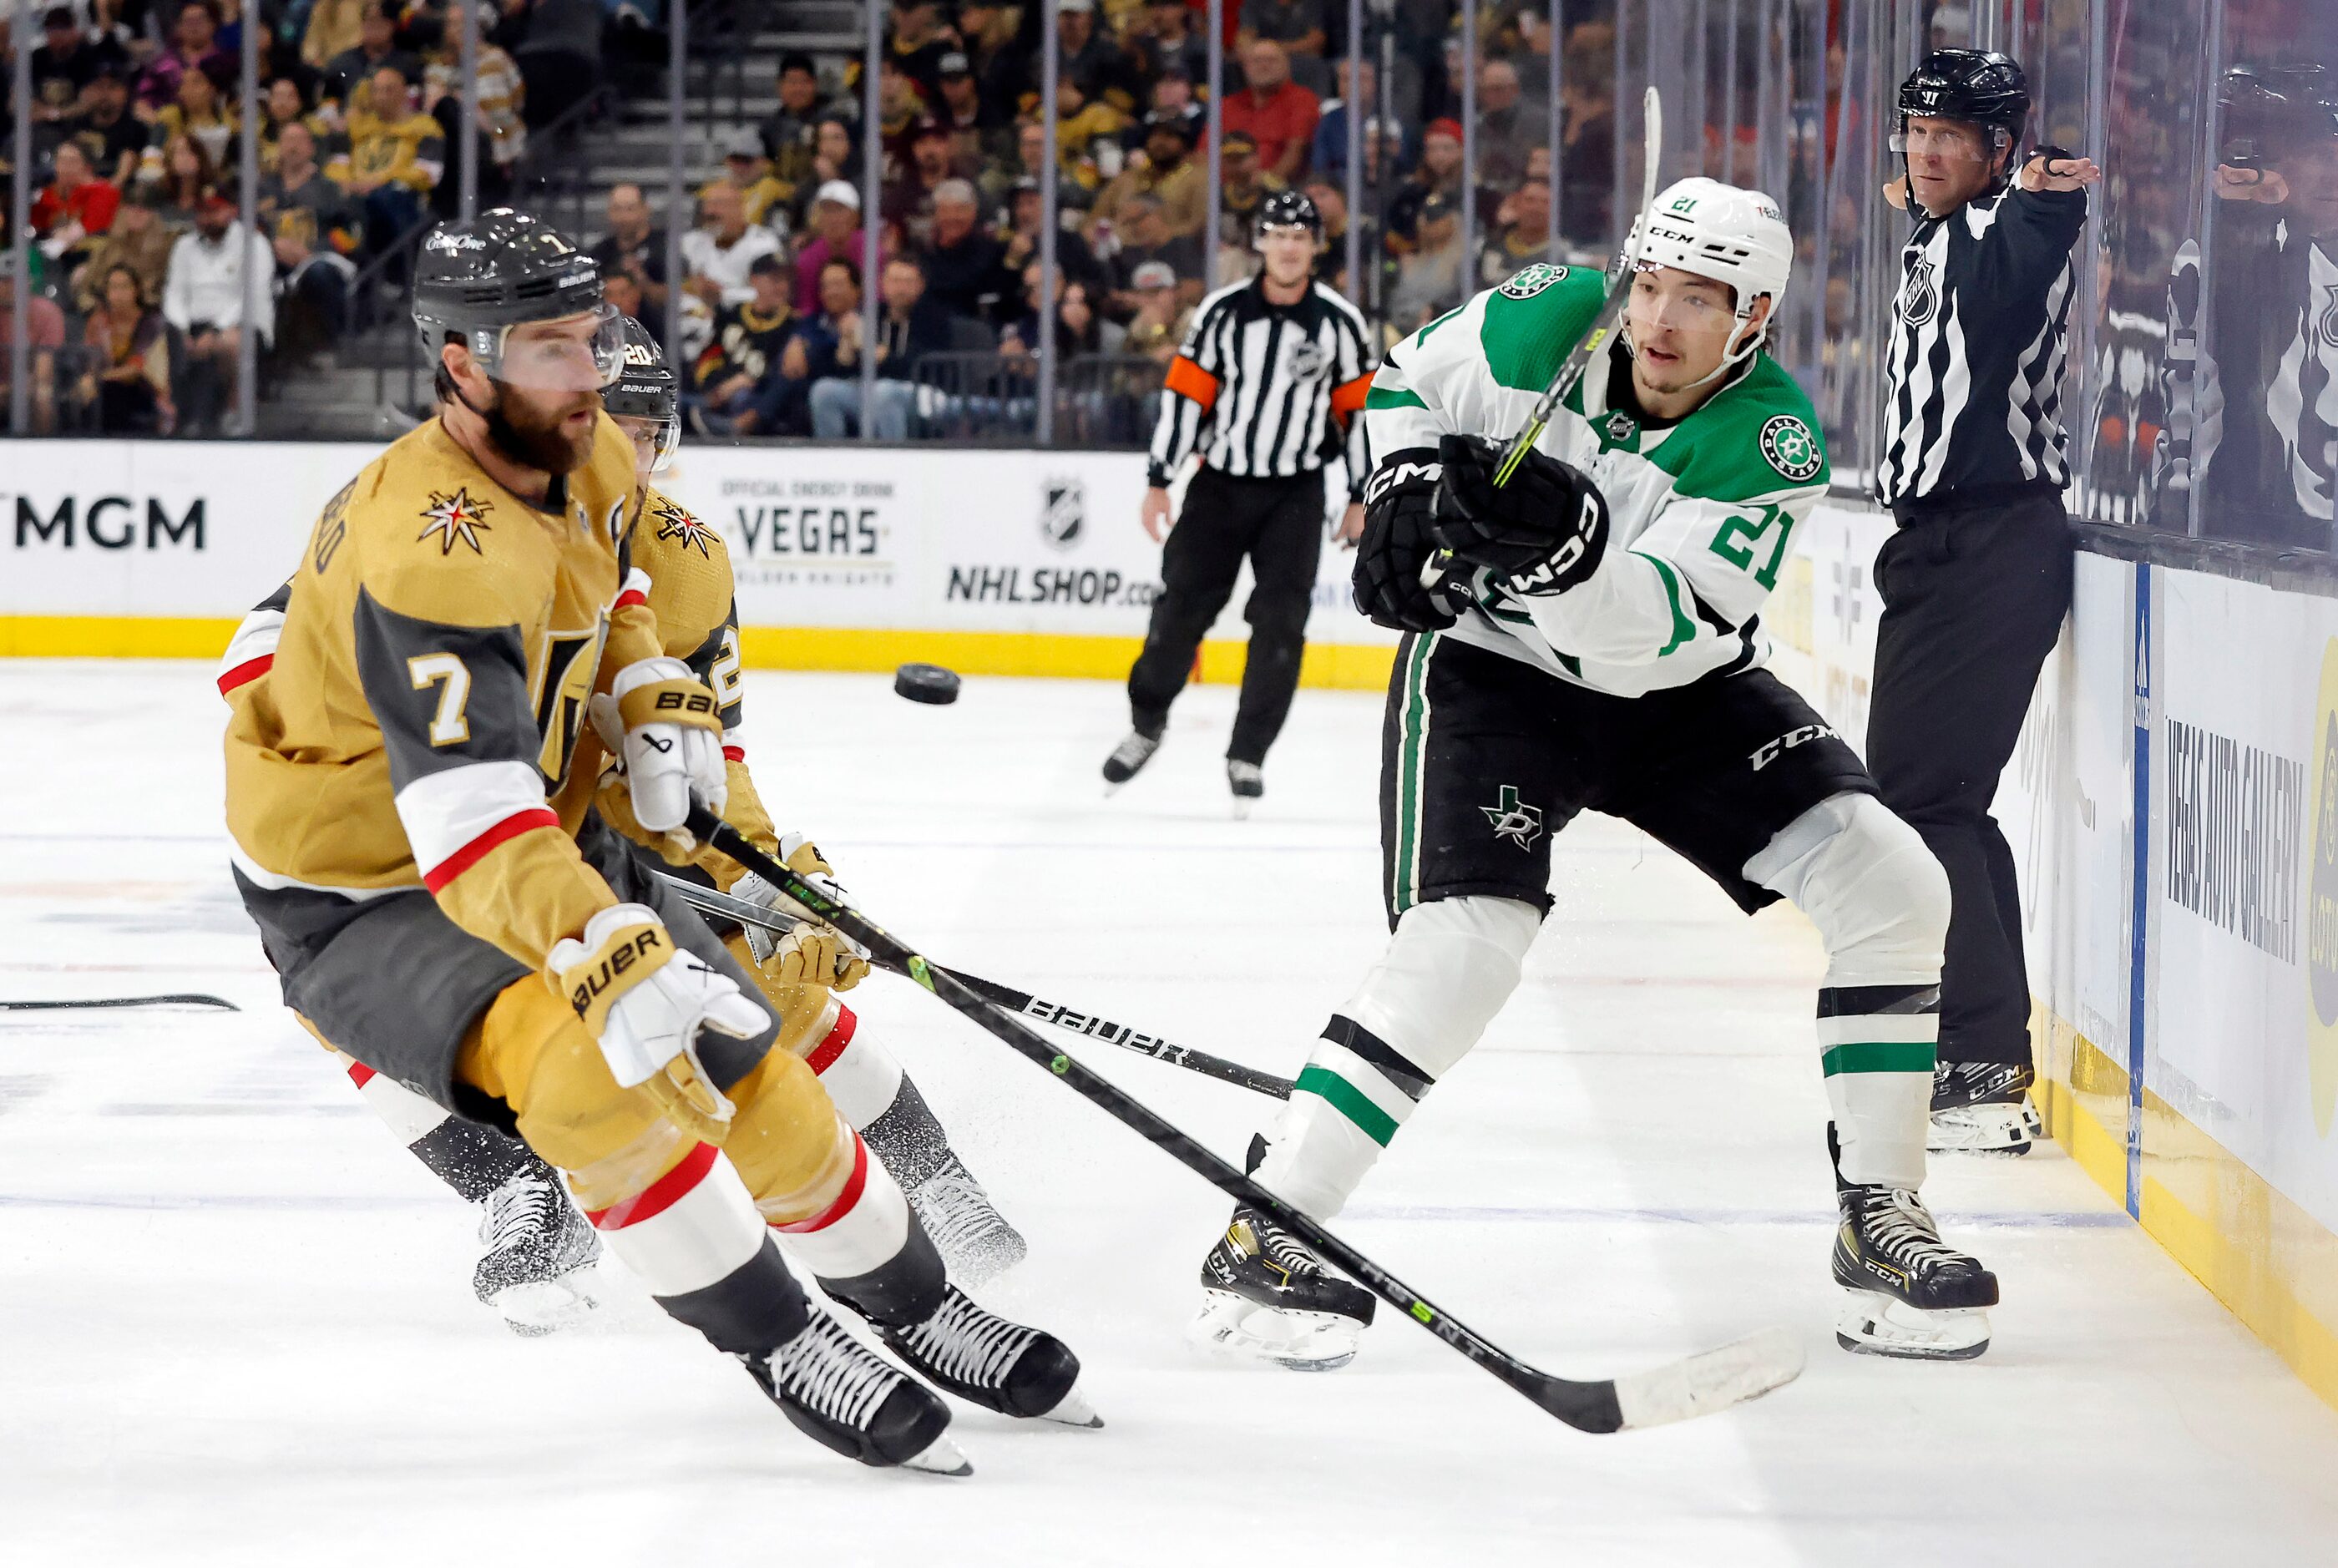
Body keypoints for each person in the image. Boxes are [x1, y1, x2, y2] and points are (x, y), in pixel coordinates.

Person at [219, 208, 1091, 1471]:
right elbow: (467, 809)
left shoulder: (594, 461)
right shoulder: (431, 551)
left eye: (591, 342)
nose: (596, 379)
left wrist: (646, 696)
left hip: (539, 829)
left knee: (742, 1045)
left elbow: (615, 609)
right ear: (463, 364)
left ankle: (915, 1296)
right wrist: (604, 939)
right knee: (599, 1072)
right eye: (557, 349)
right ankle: (778, 1336)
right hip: (372, 884)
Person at [1200, 178, 2001, 1373]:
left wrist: (1575, 551)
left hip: (1670, 690)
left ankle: (1879, 1212)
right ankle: (1273, 1226)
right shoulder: (1552, 314)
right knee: (1463, 943)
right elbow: (1408, 378)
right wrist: (1405, 488)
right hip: (1494, 675)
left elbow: (1661, 638)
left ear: (1758, 315)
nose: (1662, 319)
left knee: (1893, 880)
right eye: (1653, 286)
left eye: (1702, 297)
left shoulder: (1772, 440)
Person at [1867, 50, 2099, 1158]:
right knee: (1941, 801)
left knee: (1920, 804)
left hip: (1988, 539)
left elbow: (2017, 264)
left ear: (2002, 152)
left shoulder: (2006, 232)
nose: (1924, 152)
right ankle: (1986, 1054)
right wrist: (1938, 184)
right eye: (1915, 131)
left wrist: (2052, 205)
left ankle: (1978, 1067)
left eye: (1951, 137)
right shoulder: (1935, 229)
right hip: (1947, 548)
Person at [1105, 190, 1371, 808]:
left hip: (1297, 493)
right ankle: (1147, 723)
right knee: (1178, 613)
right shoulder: (1222, 313)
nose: (1287, 247)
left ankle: (1248, 752)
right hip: (1220, 486)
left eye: (1299, 237)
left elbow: (1358, 416)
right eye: (1276, 235)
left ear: (1314, 246)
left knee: (1281, 626)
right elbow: (1185, 397)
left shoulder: (1340, 323)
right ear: (1259, 243)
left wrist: (1360, 494)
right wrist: (1158, 478)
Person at [160, 191, 274, 436]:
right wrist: (183, 328)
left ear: (231, 211)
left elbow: (250, 296)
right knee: (164, 340)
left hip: (242, 323)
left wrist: (217, 330)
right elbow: (174, 292)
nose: (207, 219)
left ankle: (235, 413)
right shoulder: (184, 246)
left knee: (229, 343)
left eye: (214, 212)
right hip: (194, 324)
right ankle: (176, 415)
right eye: (202, 212)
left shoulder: (253, 244)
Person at [812, 254, 950, 439]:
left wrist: (886, 358)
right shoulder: (873, 315)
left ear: (921, 285)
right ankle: (833, 456)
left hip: (921, 393)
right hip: (871, 389)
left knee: (884, 391)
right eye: (894, 281)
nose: (900, 288)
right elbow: (853, 366)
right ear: (883, 284)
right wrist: (846, 348)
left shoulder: (933, 317)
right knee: (824, 390)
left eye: (908, 282)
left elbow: (925, 364)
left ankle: (891, 459)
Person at [326, 67, 445, 260]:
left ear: (404, 93)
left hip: (400, 198)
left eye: (388, 90)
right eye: (376, 90)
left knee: (386, 197)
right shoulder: (357, 126)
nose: (381, 96)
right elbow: (337, 165)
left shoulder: (425, 127)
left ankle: (396, 270)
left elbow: (429, 172)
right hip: (356, 192)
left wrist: (379, 181)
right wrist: (348, 182)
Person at [691, 251, 806, 436]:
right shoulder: (732, 315)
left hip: (757, 401)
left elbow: (781, 375)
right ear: (754, 280)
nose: (782, 287)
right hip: (719, 393)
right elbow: (709, 356)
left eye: (786, 281)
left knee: (741, 398)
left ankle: (737, 427)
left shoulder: (794, 325)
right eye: (775, 279)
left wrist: (746, 382)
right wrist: (719, 387)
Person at [78, 260, 173, 433]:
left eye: (124, 287)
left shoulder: (151, 323)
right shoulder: (98, 322)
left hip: (145, 391)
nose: (119, 294)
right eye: (113, 288)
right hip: (106, 392)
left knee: (112, 392)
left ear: (136, 290)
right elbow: (91, 361)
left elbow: (138, 368)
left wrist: (100, 378)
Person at [1222, 38, 1320, 185]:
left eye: (1271, 60)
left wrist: (1263, 184)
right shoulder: (1227, 105)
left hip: (1275, 189)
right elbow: (1203, 154)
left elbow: (1295, 153)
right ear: (1245, 67)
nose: (1264, 65)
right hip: (1223, 189)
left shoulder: (1302, 99)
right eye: (1257, 61)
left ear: (1287, 67)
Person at [681, 180, 784, 310]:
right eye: (707, 204)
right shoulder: (690, 242)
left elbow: (769, 296)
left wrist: (722, 294)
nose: (709, 211)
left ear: (739, 208)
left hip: (740, 322)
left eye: (718, 204)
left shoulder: (763, 244)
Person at [0, 255, 68, 436]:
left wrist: (12, 388)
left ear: (28, 283)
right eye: (3, 281)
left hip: (33, 386)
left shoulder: (47, 312)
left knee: (42, 395)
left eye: (13, 281)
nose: (6, 287)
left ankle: (43, 452)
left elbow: (43, 372)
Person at [588, 182, 671, 316]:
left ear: (645, 210)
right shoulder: (599, 253)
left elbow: (679, 298)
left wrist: (641, 280)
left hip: (657, 331)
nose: (623, 217)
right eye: (617, 209)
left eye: (630, 209)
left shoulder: (666, 247)